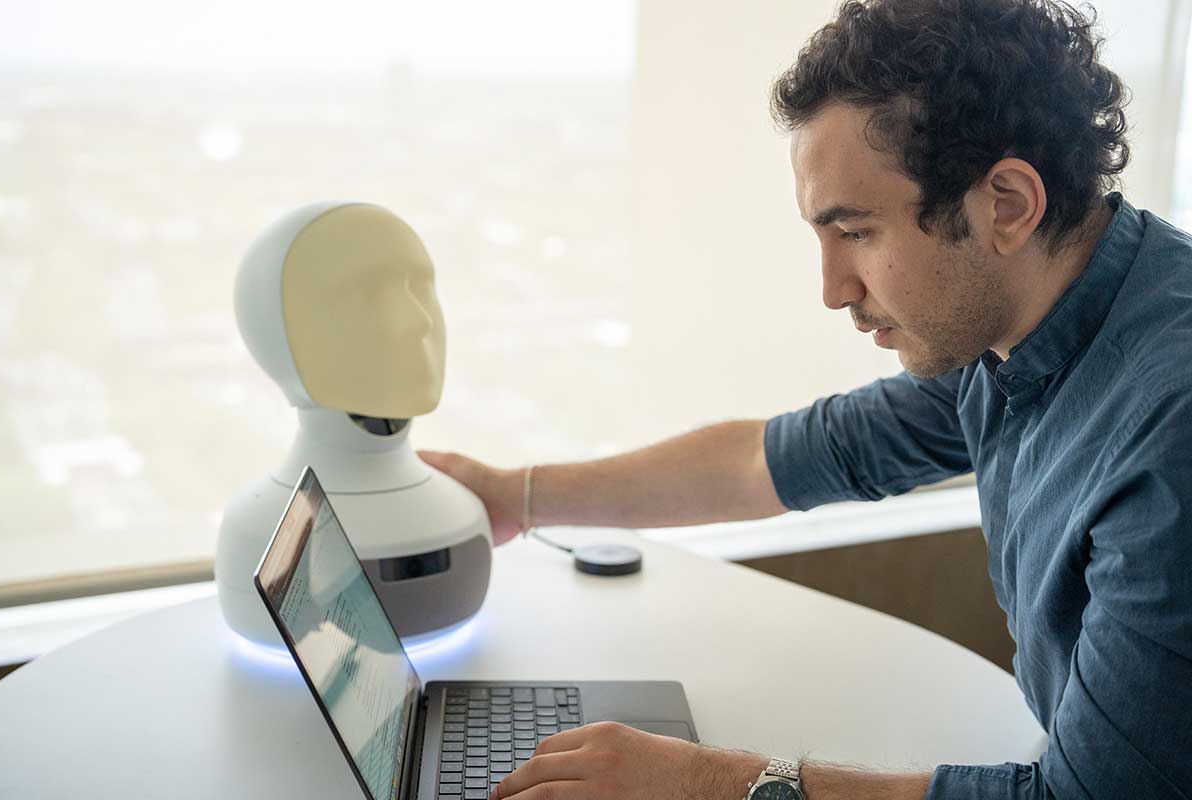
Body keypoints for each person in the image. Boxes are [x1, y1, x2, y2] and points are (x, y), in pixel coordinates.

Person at [420, 0, 1192, 797]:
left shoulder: (1172, 428)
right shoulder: (1013, 339)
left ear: (1007, 205)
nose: (831, 290)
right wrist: (515, 495)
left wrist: (708, 784)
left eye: (855, 231)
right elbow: (781, 458)